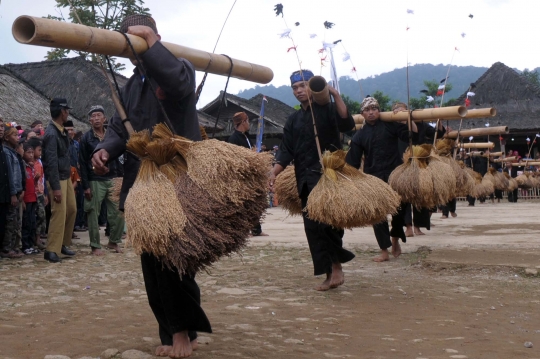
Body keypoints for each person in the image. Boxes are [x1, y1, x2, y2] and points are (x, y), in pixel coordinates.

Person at [91, 15, 211, 358]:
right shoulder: (129, 86)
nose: (134, 48)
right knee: (151, 261)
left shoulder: (178, 67)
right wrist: (103, 149)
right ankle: (172, 330)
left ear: (155, 36)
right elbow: (118, 128)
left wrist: (151, 44)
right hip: (141, 182)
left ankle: (182, 333)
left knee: (174, 258)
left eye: (139, 38)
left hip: (176, 179)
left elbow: (177, 85)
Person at [269, 69, 356, 291]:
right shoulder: (293, 119)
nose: (299, 91)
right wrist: (274, 172)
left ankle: (336, 266)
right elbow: (287, 150)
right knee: (313, 228)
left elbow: (347, 125)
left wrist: (335, 95)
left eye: (304, 85)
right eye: (295, 88)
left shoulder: (327, 109)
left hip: (328, 176)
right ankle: (329, 272)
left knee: (329, 224)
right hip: (305, 179)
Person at [346, 96, 418, 262]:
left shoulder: (390, 125)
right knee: (377, 216)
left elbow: (411, 135)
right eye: (367, 110)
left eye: (374, 109)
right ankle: (384, 251)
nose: (371, 112)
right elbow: (352, 162)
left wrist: (407, 116)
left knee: (399, 209)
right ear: (362, 114)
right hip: (374, 179)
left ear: (379, 110)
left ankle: (395, 239)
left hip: (395, 175)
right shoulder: (359, 135)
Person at [394, 102, 445, 236]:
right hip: (401, 165)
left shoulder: (420, 124)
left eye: (403, 111)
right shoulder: (392, 126)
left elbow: (437, 133)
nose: (400, 113)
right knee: (403, 197)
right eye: (397, 111)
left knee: (420, 194)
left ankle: (417, 226)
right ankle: (408, 227)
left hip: (419, 164)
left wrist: (438, 120)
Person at [79, 105, 124, 255]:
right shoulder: (86, 138)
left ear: (105, 119)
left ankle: (114, 241)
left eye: (99, 115)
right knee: (93, 213)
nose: (96, 118)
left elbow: (119, 158)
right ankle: (95, 246)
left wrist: (120, 177)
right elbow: (83, 163)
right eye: (93, 116)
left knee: (118, 212)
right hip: (95, 180)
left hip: (113, 178)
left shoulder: (112, 136)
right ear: (90, 120)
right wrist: (86, 186)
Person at [42, 98, 77, 263]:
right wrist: (55, 187)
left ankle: (63, 243)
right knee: (59, 213)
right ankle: (51, 250)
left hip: (65, 176)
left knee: (72, 209)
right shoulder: (51, 133)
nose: (68, 113)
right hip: (57, 179)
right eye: (67, 110)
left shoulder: (60, 130)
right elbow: (50, 162)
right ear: (62, 111)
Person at [228, 111, 268, 237]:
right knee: (244, 205)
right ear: (243, 122)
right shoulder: (234, 139)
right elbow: (235, 159)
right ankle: (243, 231)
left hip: (251, 176)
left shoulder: (246, 136)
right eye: (248, 121)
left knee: (254, 203)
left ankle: (256, 230)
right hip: (241, 177)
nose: (249, 124)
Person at [1, 125, 24, 259]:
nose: (17, 138)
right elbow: (10, 174)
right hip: (12, 191)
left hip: (18, 190)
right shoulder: (6, 152)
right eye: (14, 135)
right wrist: (13, 192)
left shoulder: (13, 152)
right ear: (7, 137)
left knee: (15, 220)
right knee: (10, 221)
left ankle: (13, 246)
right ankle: (6, 248)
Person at [27, 138, 47, 250]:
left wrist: (45, 193)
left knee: (41, 216)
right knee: (35, 217)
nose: (40, 153)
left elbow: (43, 178)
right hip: (32, 193)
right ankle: (34, 239)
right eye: (39, 150)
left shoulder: (39, 163)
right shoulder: (29, 164)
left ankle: (38, 238)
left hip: (40, 193)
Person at [21, 142, 40, 255]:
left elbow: (32, 183)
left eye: (33, 152)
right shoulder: (24, 166)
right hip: (26, 199)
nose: (31, 155)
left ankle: (31, 244)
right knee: (26, 223)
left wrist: (36, 179)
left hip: (33, 198)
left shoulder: (31, 167)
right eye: (29, 152)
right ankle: (25, 245)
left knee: (32, 222)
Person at [0, 117, 14, 258]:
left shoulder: (3, 150)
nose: (1, 128)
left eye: (1, 126)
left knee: (3, 224)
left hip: (4, 193)